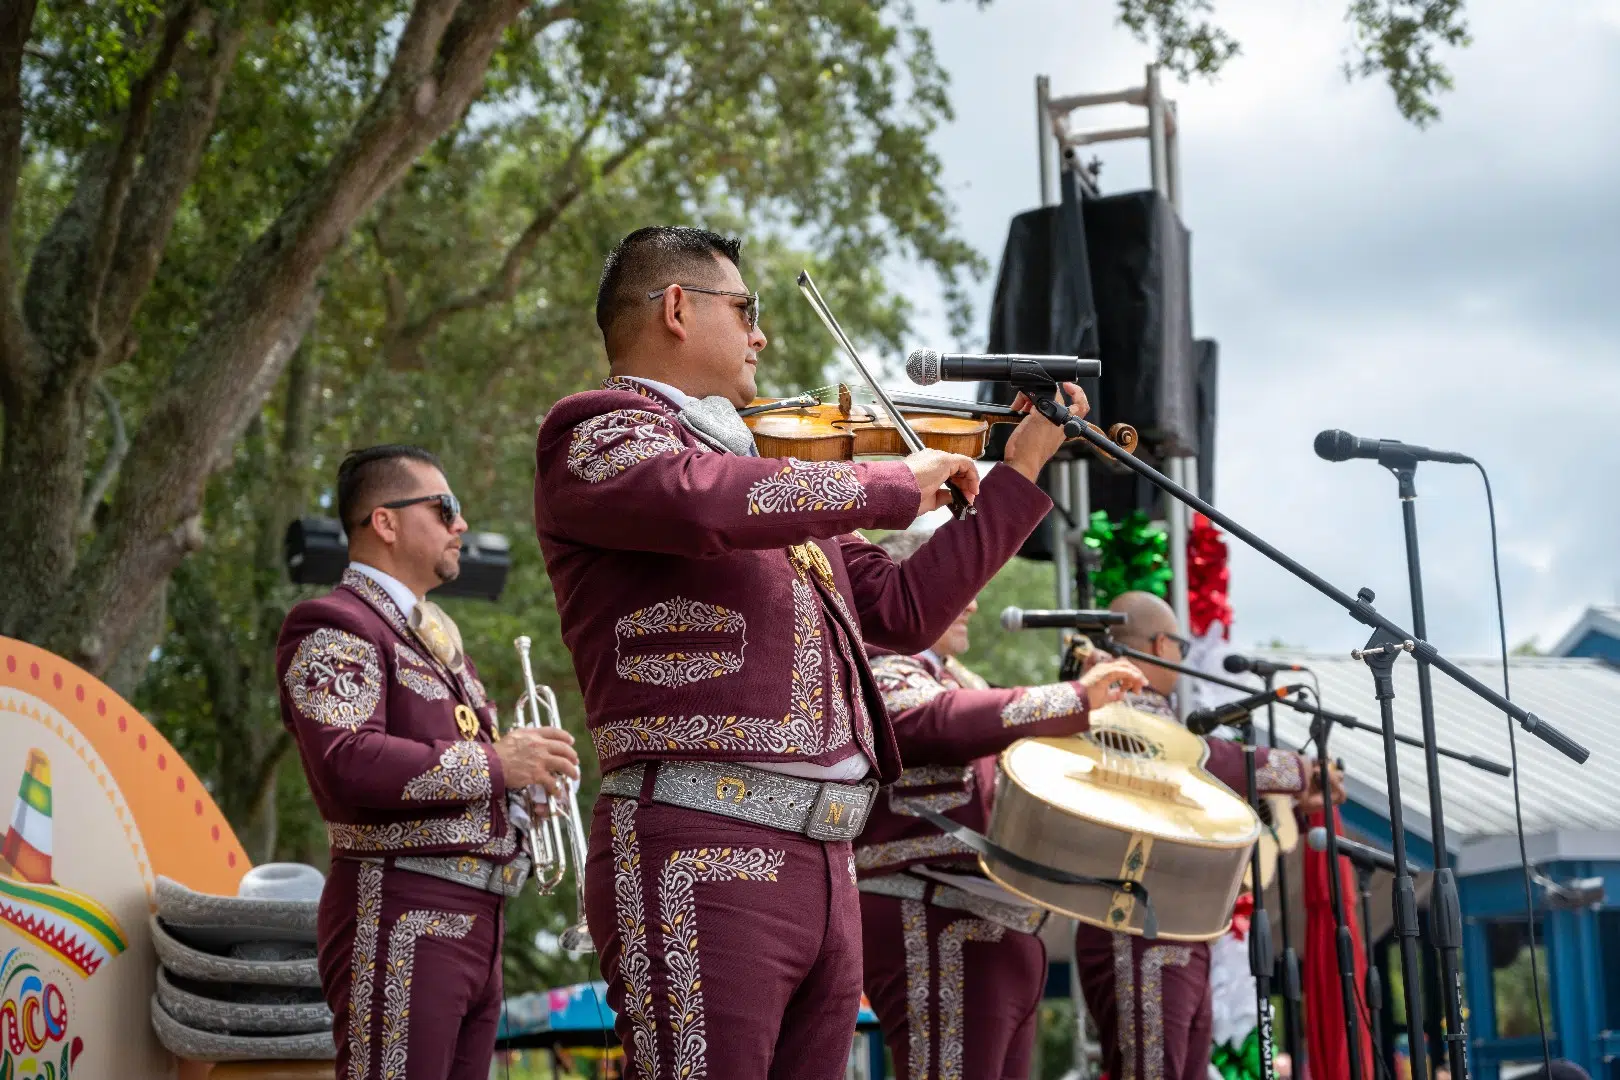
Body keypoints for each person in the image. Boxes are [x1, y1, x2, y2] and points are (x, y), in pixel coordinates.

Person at [532, 225, 1092, 1079]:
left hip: (828, 862)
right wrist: (893, 483)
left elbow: (902, 606)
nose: (761, 335)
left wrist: (1016, 473)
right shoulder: (601, 431)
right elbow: (700, 504)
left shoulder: (773, 477)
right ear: (677, 308)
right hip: (699, 840)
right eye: (746, 310)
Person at [277, 445, 579, 1079]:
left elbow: (466, 768)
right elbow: (346, 760)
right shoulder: (334, 624)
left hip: (479, 919)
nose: (460, 524)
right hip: (398, 910)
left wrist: (522, 800)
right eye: (446, 508)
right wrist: (499, 765)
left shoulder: (437, 643)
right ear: (384, 522)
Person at [854, 529, 1151, 1080]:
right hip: (933, 914)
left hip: (987, 922)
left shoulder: (954, 676)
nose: (972, 599)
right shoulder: (879, 663)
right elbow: (936, 723)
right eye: (953, 582)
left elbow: (980, 722)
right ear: (904, 589)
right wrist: (1073, 698)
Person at [1072, 590, 1345, 1080]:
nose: (1183, 655)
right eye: (1181, 644)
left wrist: (1291, 801)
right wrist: (1298, 770)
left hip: (1172, 924)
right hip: (1136, 924)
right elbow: (1199, 757)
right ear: (1159, 645)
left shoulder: (1153, 710)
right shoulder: (1119, 700)